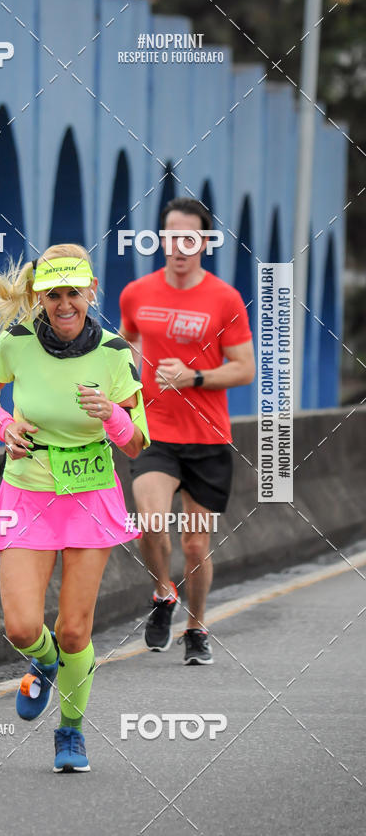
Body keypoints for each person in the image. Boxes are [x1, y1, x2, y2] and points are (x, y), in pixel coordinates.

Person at [0, 243, 150, 773]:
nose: (64, 303)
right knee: (23, 627)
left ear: (91, 292)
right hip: (28, 490)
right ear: (40, 297)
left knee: (76, 630)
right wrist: (4, 425)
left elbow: (138, 442)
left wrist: (112, 417)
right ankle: (43, 662)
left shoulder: (116, 352)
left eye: (74, 292)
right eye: (53, 294)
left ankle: (70, 732)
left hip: (92, 492)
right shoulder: (17, 343)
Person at [119, 197, 255, 664]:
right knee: (151, 522)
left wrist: (194, 377)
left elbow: (244, 369)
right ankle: (162, 593)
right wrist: (119, 404)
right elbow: (126, 355)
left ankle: (197, 627)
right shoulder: (136, 294)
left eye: (190, 237)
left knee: (195, 543)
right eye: (171, 236)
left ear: (205, 242)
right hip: (156, 434)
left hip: (208, 438)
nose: (179, 246)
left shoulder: (225, 298)